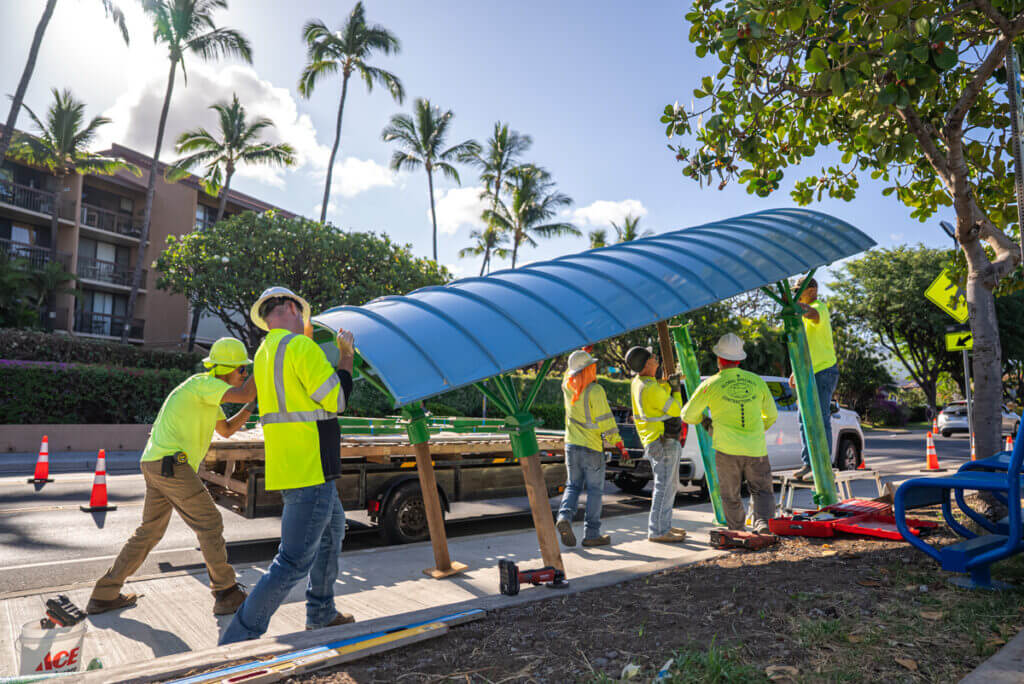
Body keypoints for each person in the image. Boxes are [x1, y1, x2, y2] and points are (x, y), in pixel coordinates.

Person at [220, 287, 356, 644]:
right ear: (294, 308)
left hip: (291, 467)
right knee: (293, 561)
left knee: (333, 529)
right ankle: (235, 642)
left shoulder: (265, 353)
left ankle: (322, 613)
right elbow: (337, 399)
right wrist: (346, 357)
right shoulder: (300, 347)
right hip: (313, 469)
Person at [87, 337, 257, 615]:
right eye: (242, 370)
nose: (245, 375)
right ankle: (226, 592)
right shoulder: (202, 383)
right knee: (210, 522)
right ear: (227, 369)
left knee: (150, 531)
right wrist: (266, 366)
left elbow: (226, 430)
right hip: (171, 464)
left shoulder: (205, 393)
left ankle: (104, 594)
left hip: (157, 463)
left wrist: (251, 406)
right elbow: (246, 392)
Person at [682, 333, 778, 533]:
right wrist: (756, 431)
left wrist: (706, 422)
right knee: (762, 491)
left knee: (730, 494)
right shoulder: (757, 381)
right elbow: (771, 415)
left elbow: (688, 415)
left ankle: (738, 531)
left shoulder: (710, 384)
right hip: (756, 449)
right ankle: (763, 527)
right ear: (739, 360)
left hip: (726, 449)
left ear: (719, 359)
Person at [555, 349, 628, 548]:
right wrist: (619, 443)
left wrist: (581, 353)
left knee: (572, 485)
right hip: (591, 449)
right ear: (588, 370)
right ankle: (592, 534)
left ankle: (564, 517)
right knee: (595, 491)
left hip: (571, 446)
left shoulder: (566, 386)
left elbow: (569, 371)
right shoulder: (595, 391)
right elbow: (606, 421)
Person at [626, 345, 688, 543]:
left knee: (668, 486)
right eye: (652, 357)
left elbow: (657, 394)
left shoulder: (639, 382)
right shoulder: (650, 388)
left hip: (654, 440)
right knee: (664, 486)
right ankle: (658, 530)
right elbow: (677, 409)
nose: (656, 358)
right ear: (646, 364)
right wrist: (677, 389)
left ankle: (664, 525)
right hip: (662, 441)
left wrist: (668, 384)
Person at [789, 277, 839, 481]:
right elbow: (806, 345)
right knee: (804, 418)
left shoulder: (819, 308)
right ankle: (809, 463)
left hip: (824, 370)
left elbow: (812, 314)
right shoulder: (803, 314)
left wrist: (792, 304)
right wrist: (795, 371)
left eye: (798, 290)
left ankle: (822, 463)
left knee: (819, 416)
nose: (797, 294)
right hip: (807, 372)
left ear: (812, 289)